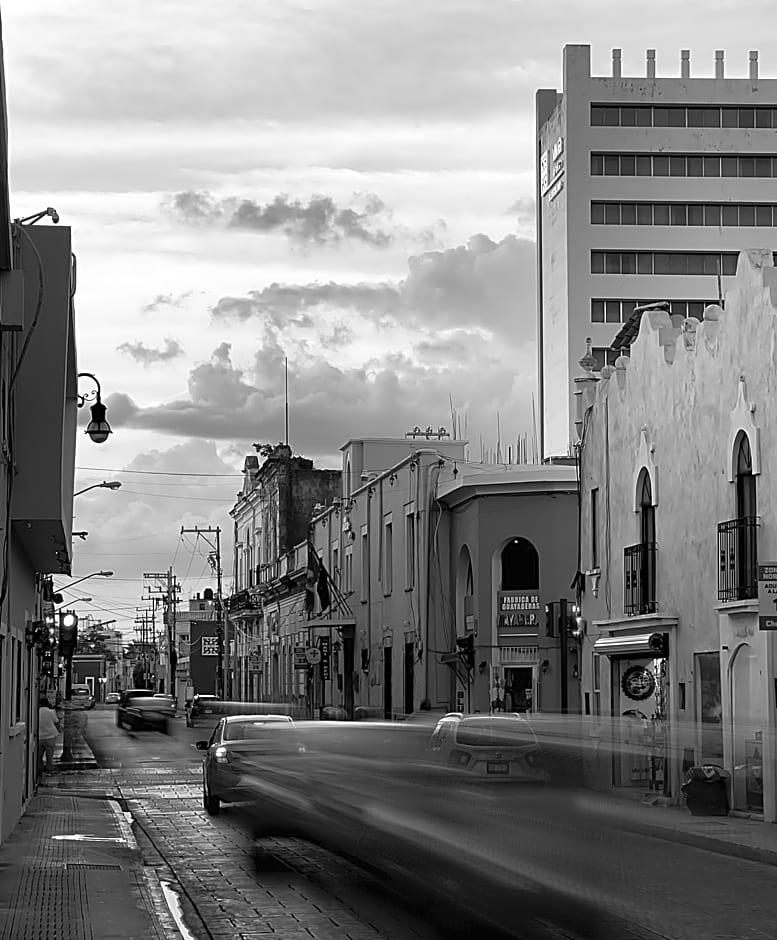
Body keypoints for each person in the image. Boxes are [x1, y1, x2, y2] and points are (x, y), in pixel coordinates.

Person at [38, 696, 61, 778]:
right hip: (51, 736)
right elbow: (56, 721)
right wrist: (58, 731)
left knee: (39, 756)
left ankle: (39, 770)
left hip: (39, 737)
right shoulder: (51, 712)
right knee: (49, 756)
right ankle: (49, 771)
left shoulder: (36, 712)